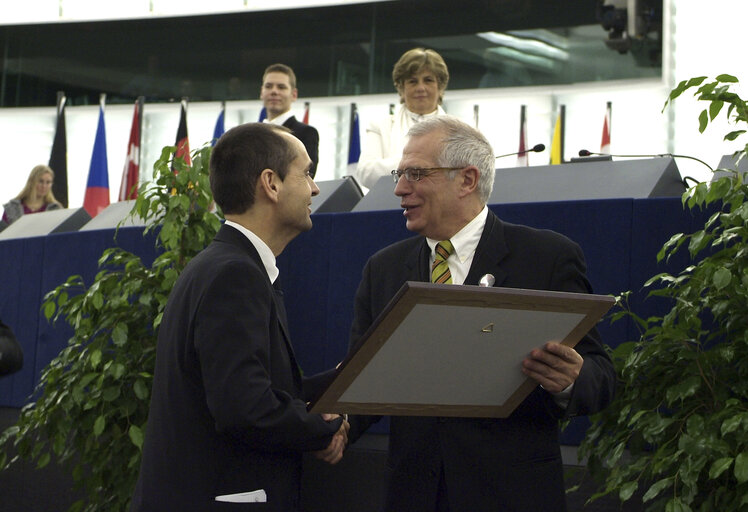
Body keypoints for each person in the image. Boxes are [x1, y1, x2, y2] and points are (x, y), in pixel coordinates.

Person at [347, 116, 616, 512]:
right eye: (399, 174)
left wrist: (570, 380)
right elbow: (362, 379)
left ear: (467, 180)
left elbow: (601, 376)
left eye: (416, 174)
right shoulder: (383, 269)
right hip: (414, 493)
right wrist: (331, 429)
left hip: (510, 493)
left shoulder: (546, 257)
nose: (400, 189)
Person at [130, 123, 349, 512]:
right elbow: (244, 408)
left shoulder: (224, 264)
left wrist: (348, 380)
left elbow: (259, 388)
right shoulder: (236, 273)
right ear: (271, 183)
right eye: (307, 173)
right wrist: (325, 428)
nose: (315, 189)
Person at [354, 48, 449, 189]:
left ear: (440, 87)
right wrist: (422, 163)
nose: (421, 88)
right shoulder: (381, 125)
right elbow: (367, 174)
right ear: (401, 88)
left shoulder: (458, 129)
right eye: (413, 81)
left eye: (428, 80)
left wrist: (402, 167)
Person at [260, 63, 320, 178]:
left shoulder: (306, 133)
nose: (274, 91)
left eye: (281, 87)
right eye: (268, 86)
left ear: (294, 94)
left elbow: (306, 177)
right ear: (261, 92)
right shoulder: (251, 134)